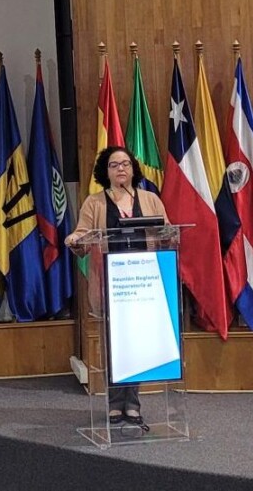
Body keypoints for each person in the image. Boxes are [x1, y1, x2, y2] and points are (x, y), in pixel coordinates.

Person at [65, 146, 168, 427]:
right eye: (114, 165)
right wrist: (74, 239)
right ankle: (114, 403)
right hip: (110, 284)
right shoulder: (94, 203)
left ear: (133, 169)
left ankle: (132, 403)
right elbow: (82, 235)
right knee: (114, 345)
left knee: (137, 344)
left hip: (144, 283)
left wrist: (167, 235)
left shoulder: (150, 200)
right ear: (105, 171)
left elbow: (167, 232)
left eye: (125, 164)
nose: (121, 168)